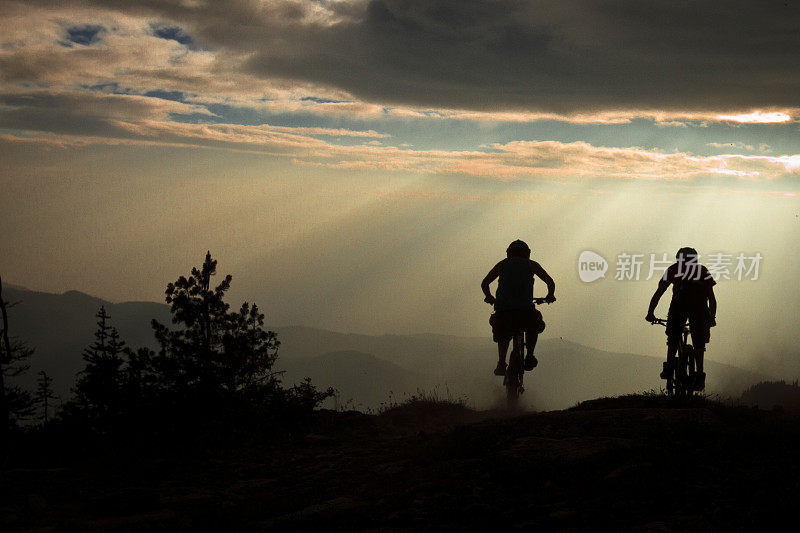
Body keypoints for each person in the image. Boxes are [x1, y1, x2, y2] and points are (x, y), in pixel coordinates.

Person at [645, 247, 717, 390]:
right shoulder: (702, 271)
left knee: (672, 337)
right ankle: (699, 375)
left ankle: (669, 367)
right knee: (699, 344)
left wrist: (650, 312)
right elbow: (712, 299)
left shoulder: (673, 269)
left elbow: (659, 292)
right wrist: (712, 317)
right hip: (700, 310)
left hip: (678, 307)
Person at [481, 240, 556, 376]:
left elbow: (485, 283)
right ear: (527, 253)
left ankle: (501, 362)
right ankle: (530, 356)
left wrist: (489, 297)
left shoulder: (502, 264)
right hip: (525, 312)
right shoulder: (531, 264)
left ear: (509, 253)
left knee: (503, 333)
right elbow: (550, 282)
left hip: (504, 311)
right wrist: (550, 295)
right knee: (534, 324)